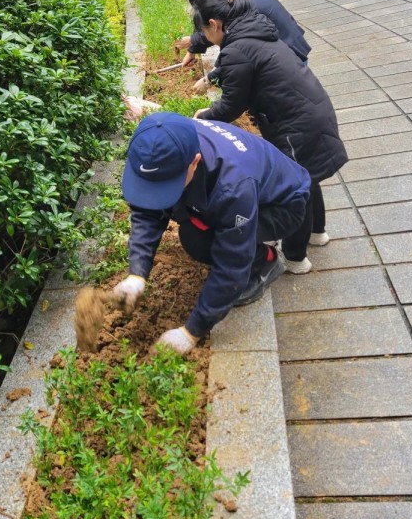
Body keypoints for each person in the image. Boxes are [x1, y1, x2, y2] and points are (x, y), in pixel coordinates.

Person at [113, 112, 311, 355]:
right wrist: (137, 274)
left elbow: (232, 262)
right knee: (195, 229)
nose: (159, 191)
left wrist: (191, 332)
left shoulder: (233, 186)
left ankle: (266, 261)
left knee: (198, 240)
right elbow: (147, 210)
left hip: (282, 206)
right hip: (249, 187)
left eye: (168, 184)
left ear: (194, 161)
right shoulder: (165, 142)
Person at [191, 0, 348, 272]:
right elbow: (240, 69)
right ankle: (317, 233)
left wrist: (202, 117)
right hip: (311, 110)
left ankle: (296, 258)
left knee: (295, 187)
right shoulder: (254, 31)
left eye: (203, 31)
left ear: (214, 24)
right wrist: (212, 79)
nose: (205, 37)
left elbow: (231, 105)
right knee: (308, 176)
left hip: (295, 124)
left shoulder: (237, 48)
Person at [167, 0, 310, 70]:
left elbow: (223, 33)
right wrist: (193, 49)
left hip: (287, 52)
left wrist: (213, 75)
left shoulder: (236, 6)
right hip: (288, 41)